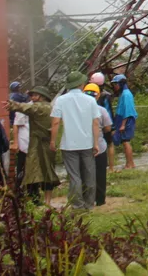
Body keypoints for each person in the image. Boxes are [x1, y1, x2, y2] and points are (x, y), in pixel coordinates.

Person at [50, 71, 101, 211]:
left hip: (68, 144)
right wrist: (96, 143)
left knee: (74, 176)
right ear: (81, 84)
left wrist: (53, 141)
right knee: (90, 175)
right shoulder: (90, 100)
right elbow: (95, 123)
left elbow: (55, 122)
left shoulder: (61, 100)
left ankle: (77, 205)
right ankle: (89, 205)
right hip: (87, 143)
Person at [5, 87, 60, 205]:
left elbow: (25, 107)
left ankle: (33, 200)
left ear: (42, 96)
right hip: (47, 142)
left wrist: (12, 104)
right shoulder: (52, 107)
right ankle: (47, 202)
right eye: (32, 95)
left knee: (32, 171)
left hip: (37, 144)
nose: (32, 98)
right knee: (47, 172)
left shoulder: (40, 107)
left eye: (35, 95)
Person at [83, 83, 113, 206]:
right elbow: (108, 128)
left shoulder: (79, 110)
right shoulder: (101, 110)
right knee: (100, 173)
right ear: (98, 95)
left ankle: (86, 199)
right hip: (99, 146)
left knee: (85, 173)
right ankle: (100, 200)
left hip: (83, 146)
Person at [111, 74, 137, 169]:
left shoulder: (126, 95)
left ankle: (130, 164)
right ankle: (129, 163)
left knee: (126, 142)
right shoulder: (123, 94)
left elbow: (127, 110)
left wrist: (123, 124)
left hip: (126, 120)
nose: (115, 86)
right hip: (122, 119)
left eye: (116, 84)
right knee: (124, 142)